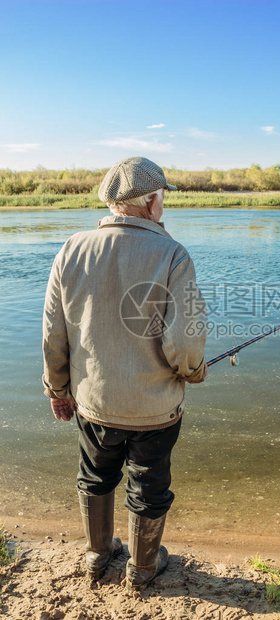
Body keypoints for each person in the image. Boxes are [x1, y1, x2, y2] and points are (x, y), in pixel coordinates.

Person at [42, 156, 207, 589]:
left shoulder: (71, 249)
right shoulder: (173, 254)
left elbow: (53, 334)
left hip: (93, 404)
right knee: (150, 485)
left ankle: (97, 555)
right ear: (151, 201)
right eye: (163, 199)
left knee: (94, 476)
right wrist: (192, 372)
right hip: (155, 409)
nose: (164, 206)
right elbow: (186, 343)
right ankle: (143, 567)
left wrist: (58, 390)